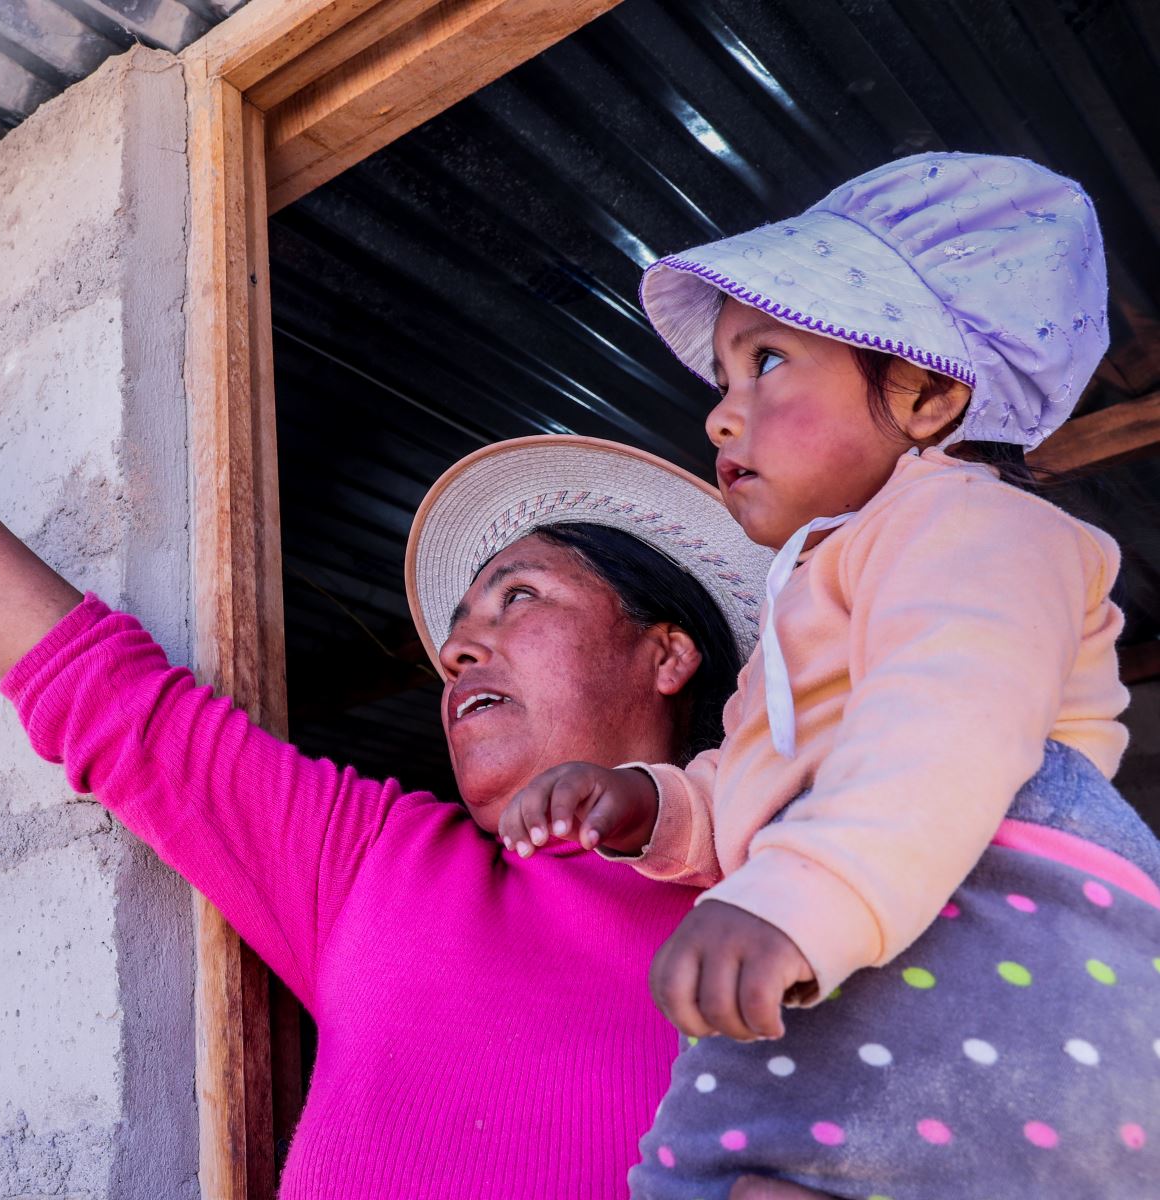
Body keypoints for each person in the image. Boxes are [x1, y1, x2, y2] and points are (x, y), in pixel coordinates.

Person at [0, 332, 776, 1198]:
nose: (459, 648)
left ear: (667, 654)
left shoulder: (799, 888)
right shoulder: (381, 864)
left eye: (518, 598)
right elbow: (105, 700)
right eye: (458, 629)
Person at [496, 153, 1160, 1198]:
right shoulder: (818, 593)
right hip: (885, 949)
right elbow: (763, 780)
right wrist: (654, 807)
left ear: (929, 393)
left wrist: (803, 891)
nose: (720, 415)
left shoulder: (976, 523)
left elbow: (949, 724)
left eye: (765, 362)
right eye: (724, 381)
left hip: (993, 954)